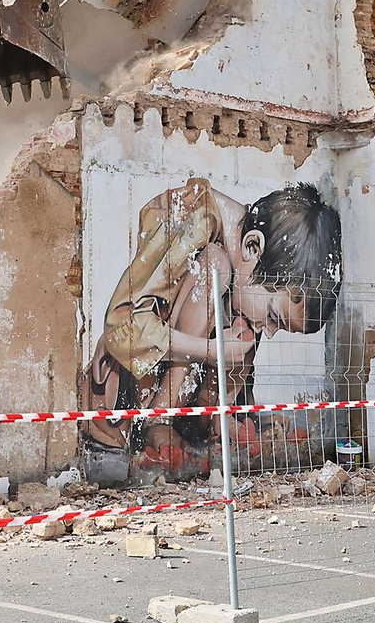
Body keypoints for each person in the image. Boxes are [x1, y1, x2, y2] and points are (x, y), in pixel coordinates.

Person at [82, 179, 341, 474]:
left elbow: (242, 321)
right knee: (215, 267)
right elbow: (121, 328)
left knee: (244, 313)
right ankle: (157, 422)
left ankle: (218, 417)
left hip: (190, 408)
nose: (269, 331)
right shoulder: (189, 218)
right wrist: (212, 350)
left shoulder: (245, 266)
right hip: (125, 401)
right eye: (273, 316)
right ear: (252, 246)